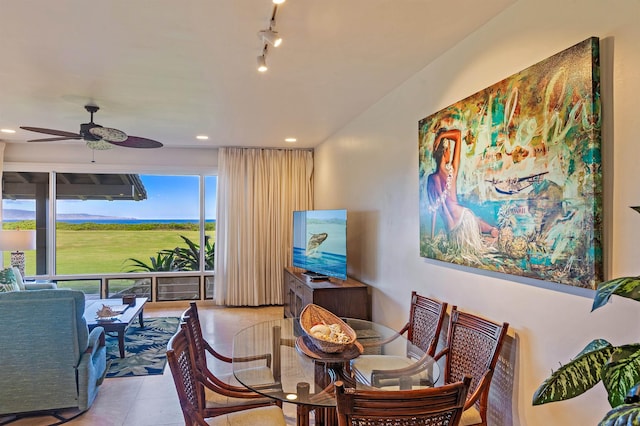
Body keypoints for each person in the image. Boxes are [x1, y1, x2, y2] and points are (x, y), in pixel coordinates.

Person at [426, 127, 498, 252]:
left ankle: (492, 231)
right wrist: (442, 136)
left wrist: (432, 237)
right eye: (448, 150)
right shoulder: (451, 171)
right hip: (463, 218)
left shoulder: (431, 179)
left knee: (472, 242)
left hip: (451, 230)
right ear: (446, 152)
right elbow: (458, 135)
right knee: (477, 232)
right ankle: (493, 231)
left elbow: (434, 211)